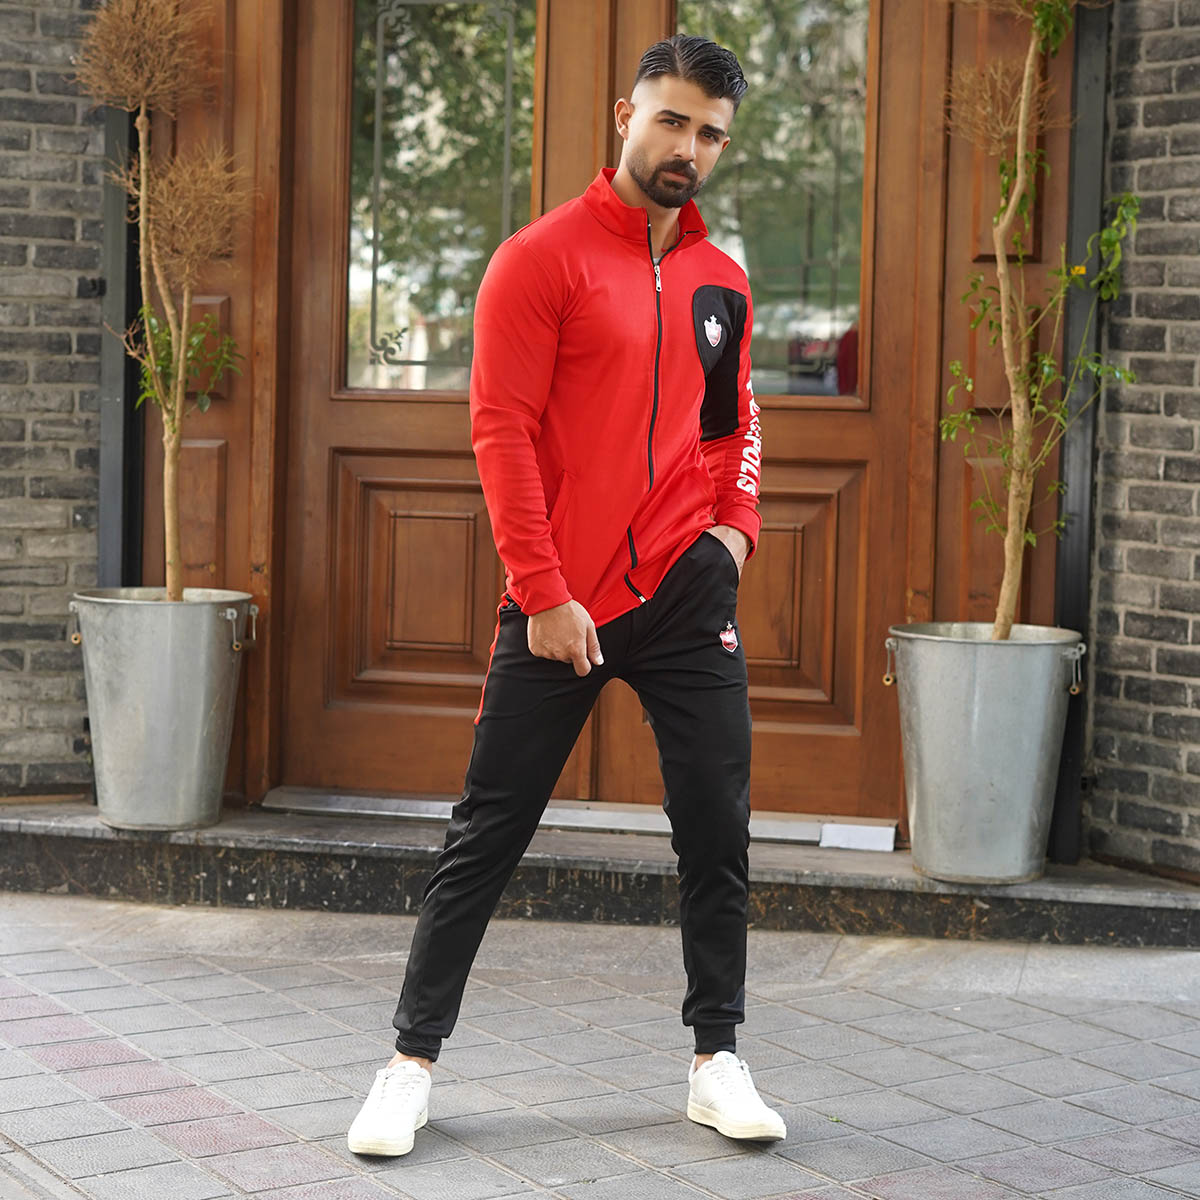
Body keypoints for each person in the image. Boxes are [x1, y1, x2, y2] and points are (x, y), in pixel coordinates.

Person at [347, 33, 785, 1159]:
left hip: (686, 590)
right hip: (562, 604)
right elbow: (501, 432)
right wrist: (542, 591)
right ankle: (407, 1066)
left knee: (716, 829)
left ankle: (717, 1059)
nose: (690, 147)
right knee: (488, 833)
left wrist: (734, 535)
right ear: (627, 116)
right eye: (673, 120)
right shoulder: (538, 260)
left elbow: (732, 425)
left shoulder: (723, 281)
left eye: (711, 133)